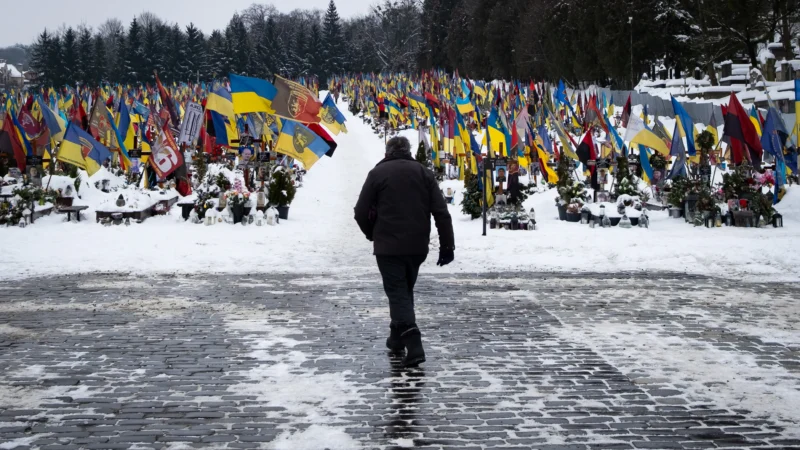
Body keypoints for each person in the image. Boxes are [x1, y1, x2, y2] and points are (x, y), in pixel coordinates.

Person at [354, 136, 455, 367]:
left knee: (398, 291)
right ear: (408, 151)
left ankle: (414, 341)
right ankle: (396, 337)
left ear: (387, 151)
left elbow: (360, 211)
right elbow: (441, 211)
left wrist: (373, 233)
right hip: (417, 246)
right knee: (402, 290)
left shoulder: (377, 174)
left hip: (388, 246)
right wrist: (447, 245)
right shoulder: (424, 173)